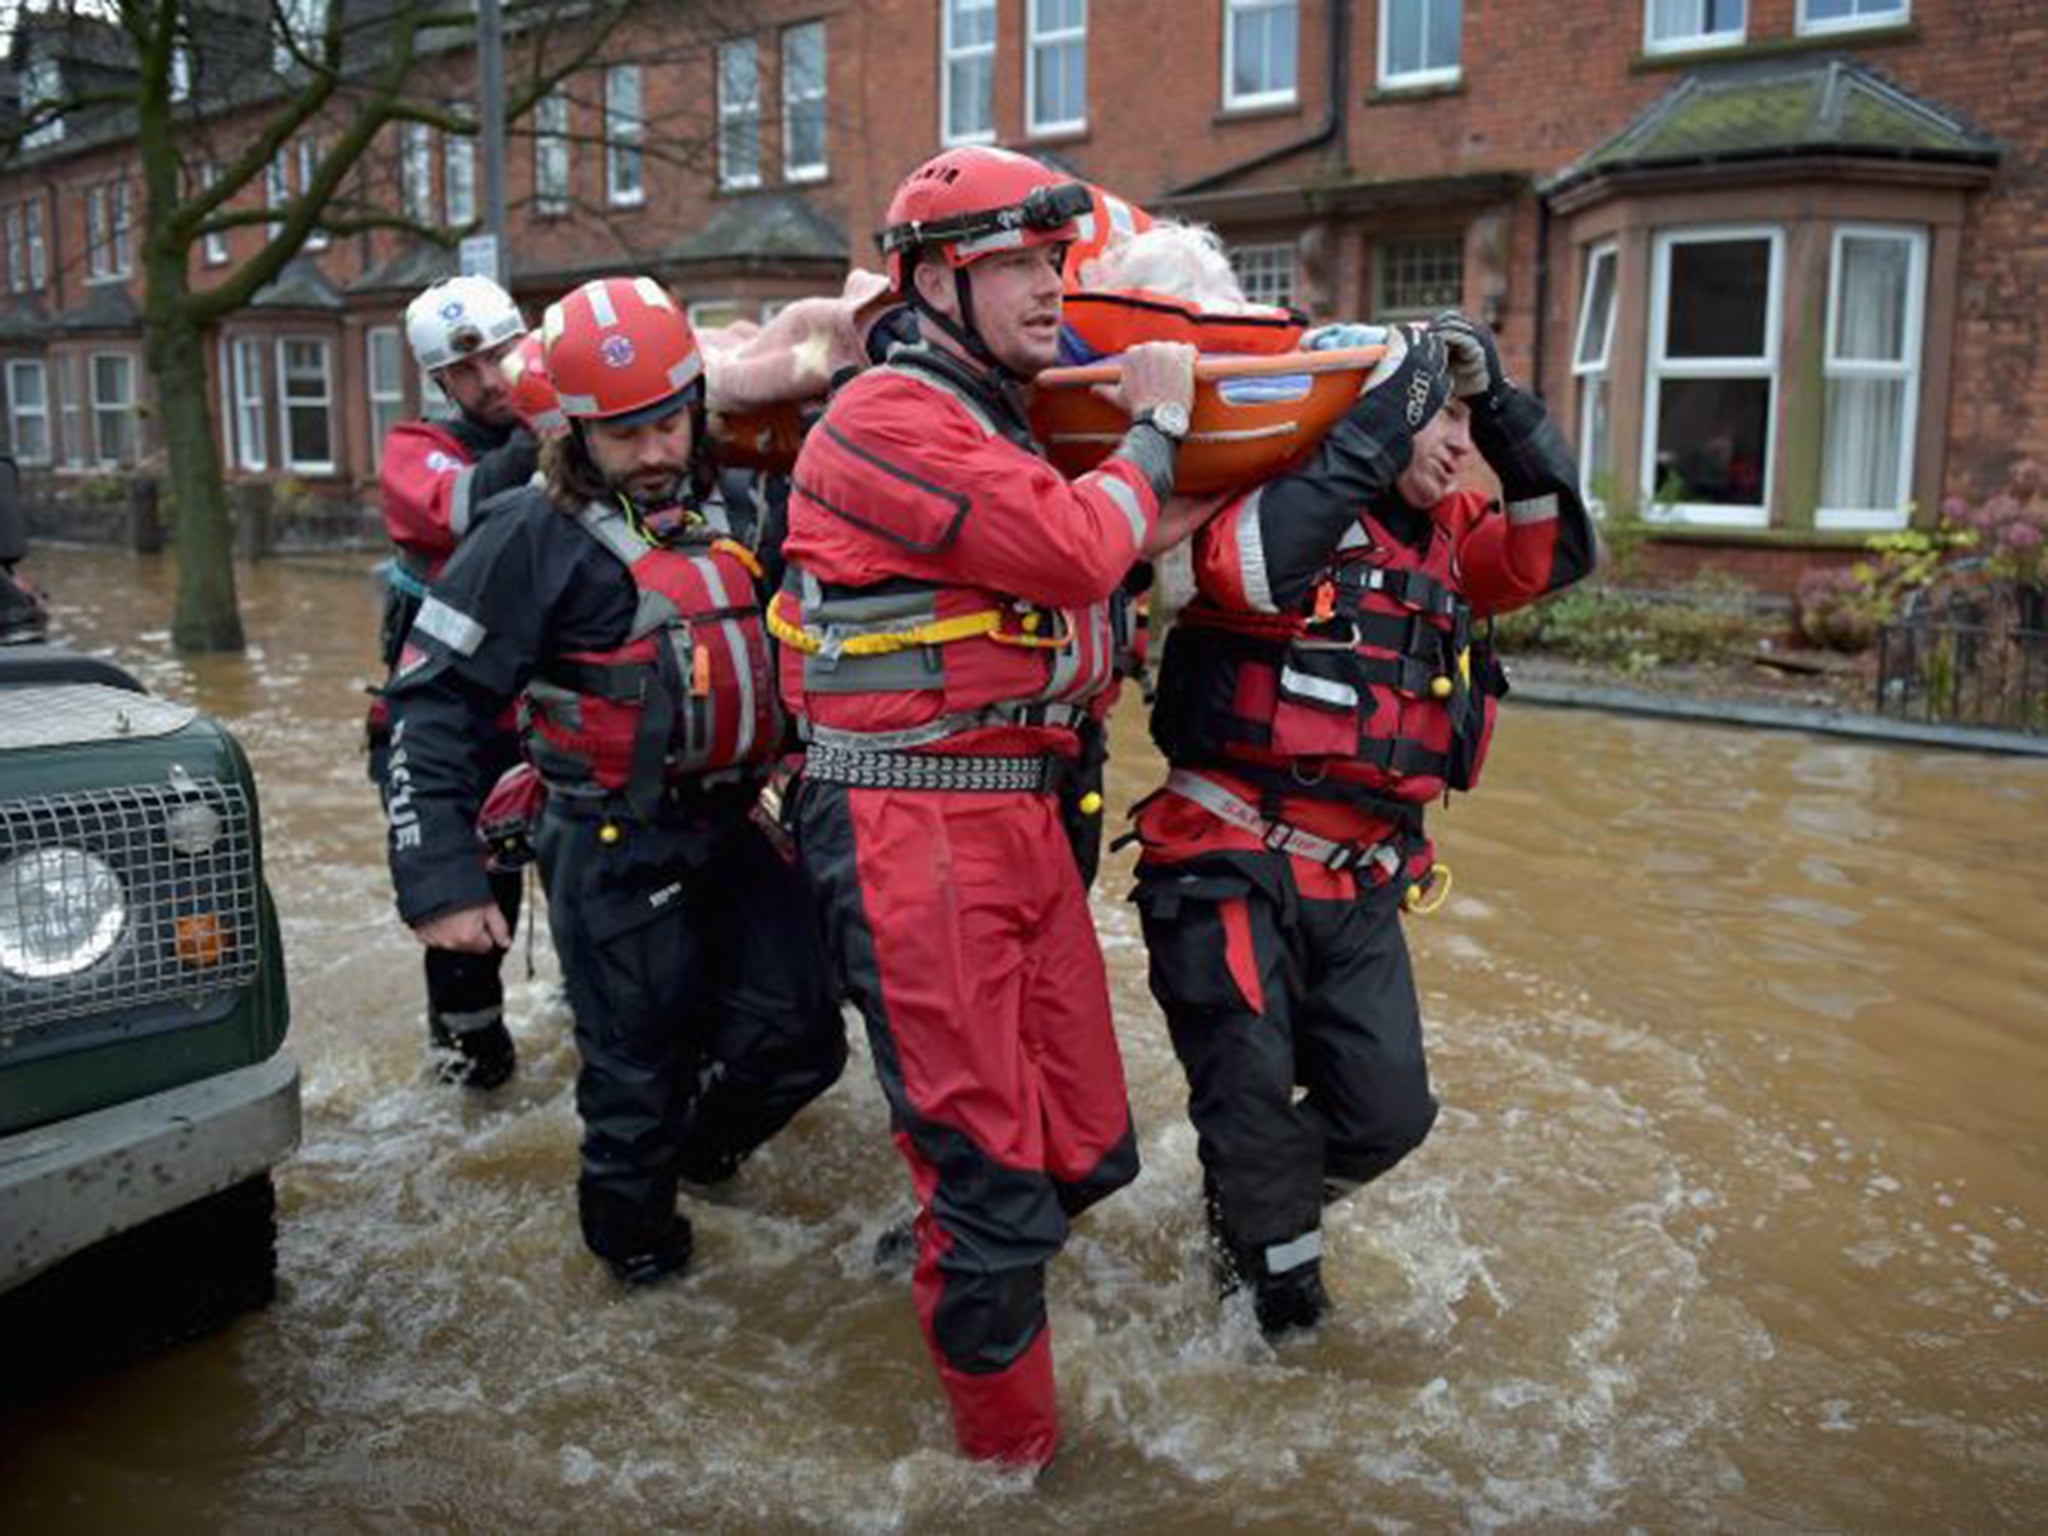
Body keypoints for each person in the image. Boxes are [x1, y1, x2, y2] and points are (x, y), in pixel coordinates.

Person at [773, 144, 1198, 1469]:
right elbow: (1078, 546)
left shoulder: (1000, 417)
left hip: (1010, 821)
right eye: (1017, 264)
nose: (1046, 289)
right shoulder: (885, 419)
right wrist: (1161, 425)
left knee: (1088, 1147)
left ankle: (949, 1256)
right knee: (995, 1187)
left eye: (1053, 263)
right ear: (938, 283)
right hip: (912, 834)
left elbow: (1112, 537)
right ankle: (1004, 1475)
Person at [1130, 310, 1599, 1339]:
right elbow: (1248, 574)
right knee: (1249, 1113)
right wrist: (1387, 405)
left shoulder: (1445, 542)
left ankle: (1245, 1214)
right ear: (1373, 416)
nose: (1459, 445)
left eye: (1467, 424)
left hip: (1358, 880)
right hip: (1225, 867)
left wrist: (1498, 397)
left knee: (1389, 1114)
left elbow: (1558, 545)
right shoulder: (1259, 513)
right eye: (1442, 420)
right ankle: (1273, 1316)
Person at [382, 275, 846, 1285]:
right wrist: (443, 881)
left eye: (668, 424)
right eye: (623, 435)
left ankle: (697, 1162)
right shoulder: (522, 536)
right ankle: (643, 1274)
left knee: (805, 1039)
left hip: (733, 824)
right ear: (573, 433)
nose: (655, 452)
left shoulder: (747, 504)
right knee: (633, 1079)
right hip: (609, 843)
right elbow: (431, 705)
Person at [369, 274, 539, 1089]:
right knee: (475, 920)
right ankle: (472, 1064)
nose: (494, 380)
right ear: (442, 384)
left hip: (553, 715)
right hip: (458, 731)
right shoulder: (417, 449)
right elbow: (463, 507)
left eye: (505, 357)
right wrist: (550, 427)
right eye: (469, 372)